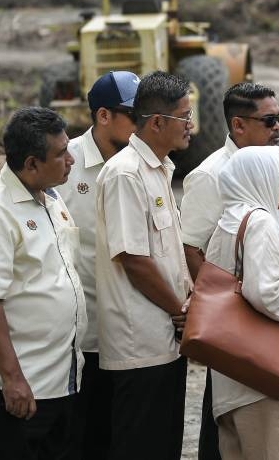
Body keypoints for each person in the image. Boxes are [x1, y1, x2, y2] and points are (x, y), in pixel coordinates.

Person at [0, 107, 86, 460]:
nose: (71, 159)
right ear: (31, 164)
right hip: (20, 388)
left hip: (61, 378)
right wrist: (12, 379)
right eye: (61, 153)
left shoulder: (51, 197)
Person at [180, 82, 279, 460]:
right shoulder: (211, 174)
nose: (278, 126)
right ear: (239, 125)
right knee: (229, 415)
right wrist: (227, 308)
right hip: (238, 318)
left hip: (270, 304)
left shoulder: (271, 162)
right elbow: (192, 249)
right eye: (269, 120)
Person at [94, 71, 193, 460]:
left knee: (164, 444)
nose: (191, 126)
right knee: (141, 446)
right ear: (156, 122)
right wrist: (180, 309)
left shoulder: (160, 170)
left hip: (165, 341)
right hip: (140, 346)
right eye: (184, 117)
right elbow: (133, 259)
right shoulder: (125, 173)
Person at [206, 146, 279, 459]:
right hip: (266, 384)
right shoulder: (260, 223)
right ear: (261, 178)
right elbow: (264, 293)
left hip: (233, 376)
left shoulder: (227, 222)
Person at [55, 70, 139, 460]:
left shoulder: (141, 164)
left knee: (115, 437)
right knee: (77, 437)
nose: (144, 123)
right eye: (134, 114)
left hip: (128, 332)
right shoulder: (63, 166)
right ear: (103, 116)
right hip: (80, 335)